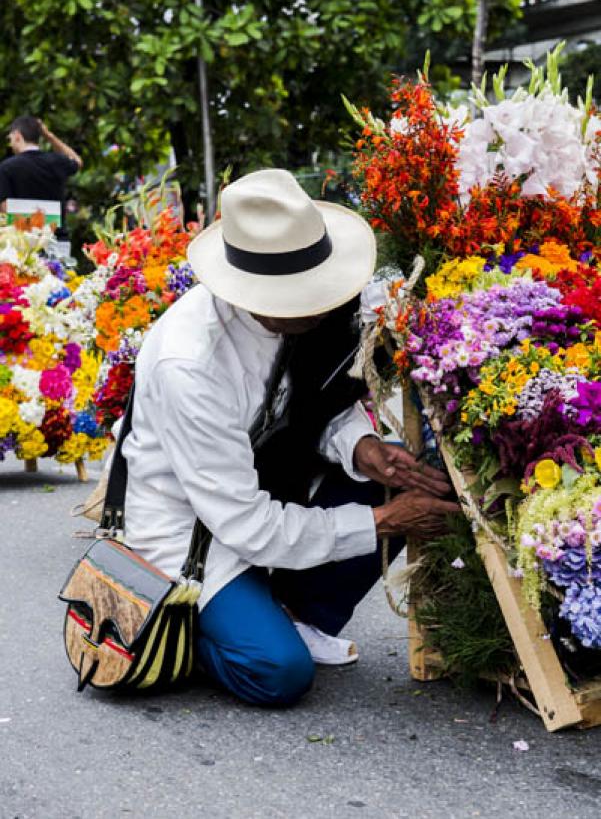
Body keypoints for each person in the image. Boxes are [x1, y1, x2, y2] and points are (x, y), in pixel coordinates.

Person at [122, 169, 459, 706]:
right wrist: (382, 523)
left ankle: (296, 612)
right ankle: (183, 638)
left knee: (395, 472)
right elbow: (246, 526)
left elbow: (303, 405)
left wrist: (359, 446)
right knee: (278, 672)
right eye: (303, 295)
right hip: (189, 527)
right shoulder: (190, 362)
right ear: (253, 292)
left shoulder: (293, 318)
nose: (322, 305)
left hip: (260, 479)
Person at [0, 115, 82, 239]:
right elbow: (77, 161)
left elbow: (5, 208)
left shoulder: (7, 167)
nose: (10, 144)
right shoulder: (57, 161)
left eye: (10, 138)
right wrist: (49, 135)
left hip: (22, 242)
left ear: (17, 135)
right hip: (56, 239)